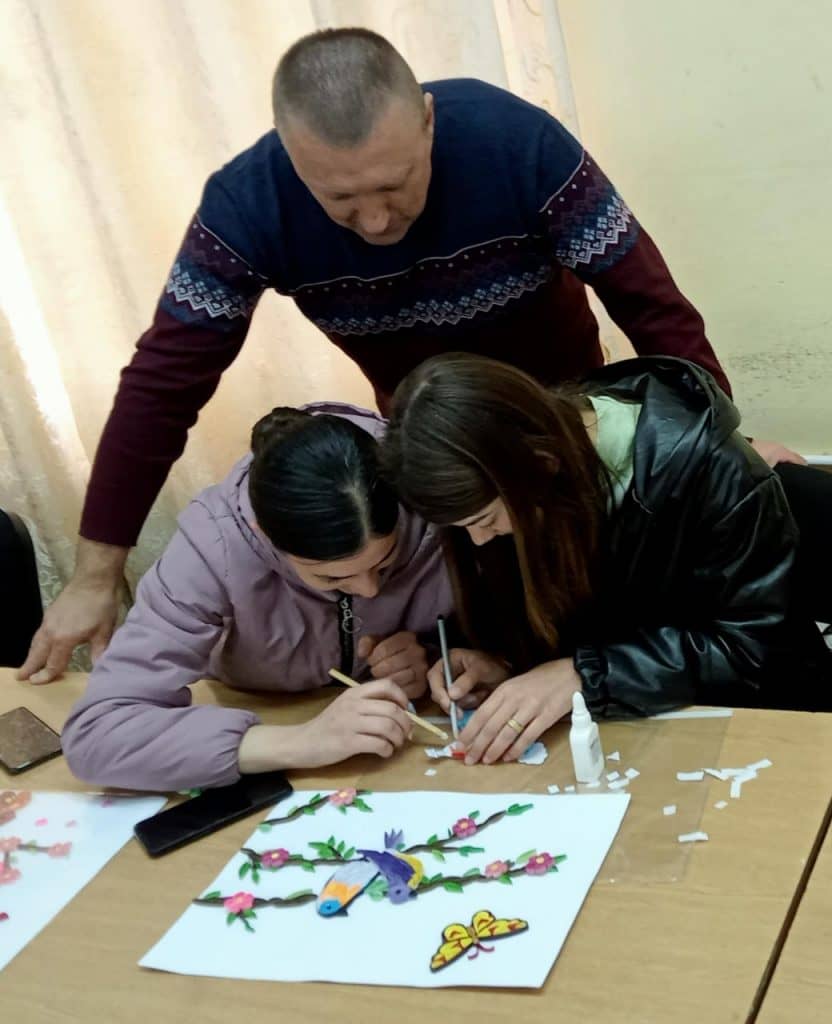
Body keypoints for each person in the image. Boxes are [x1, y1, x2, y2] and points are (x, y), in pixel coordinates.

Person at [21, 27, 812, 683]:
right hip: (434, 452)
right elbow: (162, 384)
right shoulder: (248, 204)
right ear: (292, 159)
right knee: (502, 637)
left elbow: (649, 302)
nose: (374, 222)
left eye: (395, 184)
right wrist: (96, 573)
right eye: (339, 199)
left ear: (428, 123)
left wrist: (720, 440)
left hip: (560, 433)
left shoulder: (516, 141)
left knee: (607, 618)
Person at [379, 353, 832, 766]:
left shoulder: (707, 472)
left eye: (484, 520)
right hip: (617, 732)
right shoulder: (510, 490)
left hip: (757, 729)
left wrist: (584, 676)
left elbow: (747, 646)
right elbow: (565, 622)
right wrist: (501, 662)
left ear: (542, 463)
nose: (479, 540)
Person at [61, 402, 452, 792]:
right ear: (262, 532)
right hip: (270, 722)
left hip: (404, 756)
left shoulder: (434, 503)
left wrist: (435, 655)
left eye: (385, 563)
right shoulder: (214, 547)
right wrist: (301, 742)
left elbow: (473, 637)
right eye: (332, 577)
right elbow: (99, 735)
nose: (370, 589)